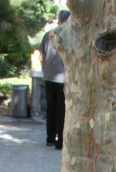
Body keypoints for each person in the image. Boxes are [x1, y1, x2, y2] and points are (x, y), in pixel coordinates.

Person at [40, 10, 70, 149]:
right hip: (63, 77)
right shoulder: (69, 34)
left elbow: (41, 56)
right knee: (62, 109)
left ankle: (49, 138)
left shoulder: (48, 35)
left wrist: (45, 70)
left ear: (59, 19)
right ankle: (60, 141)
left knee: (51, 107)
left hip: (49, 76)